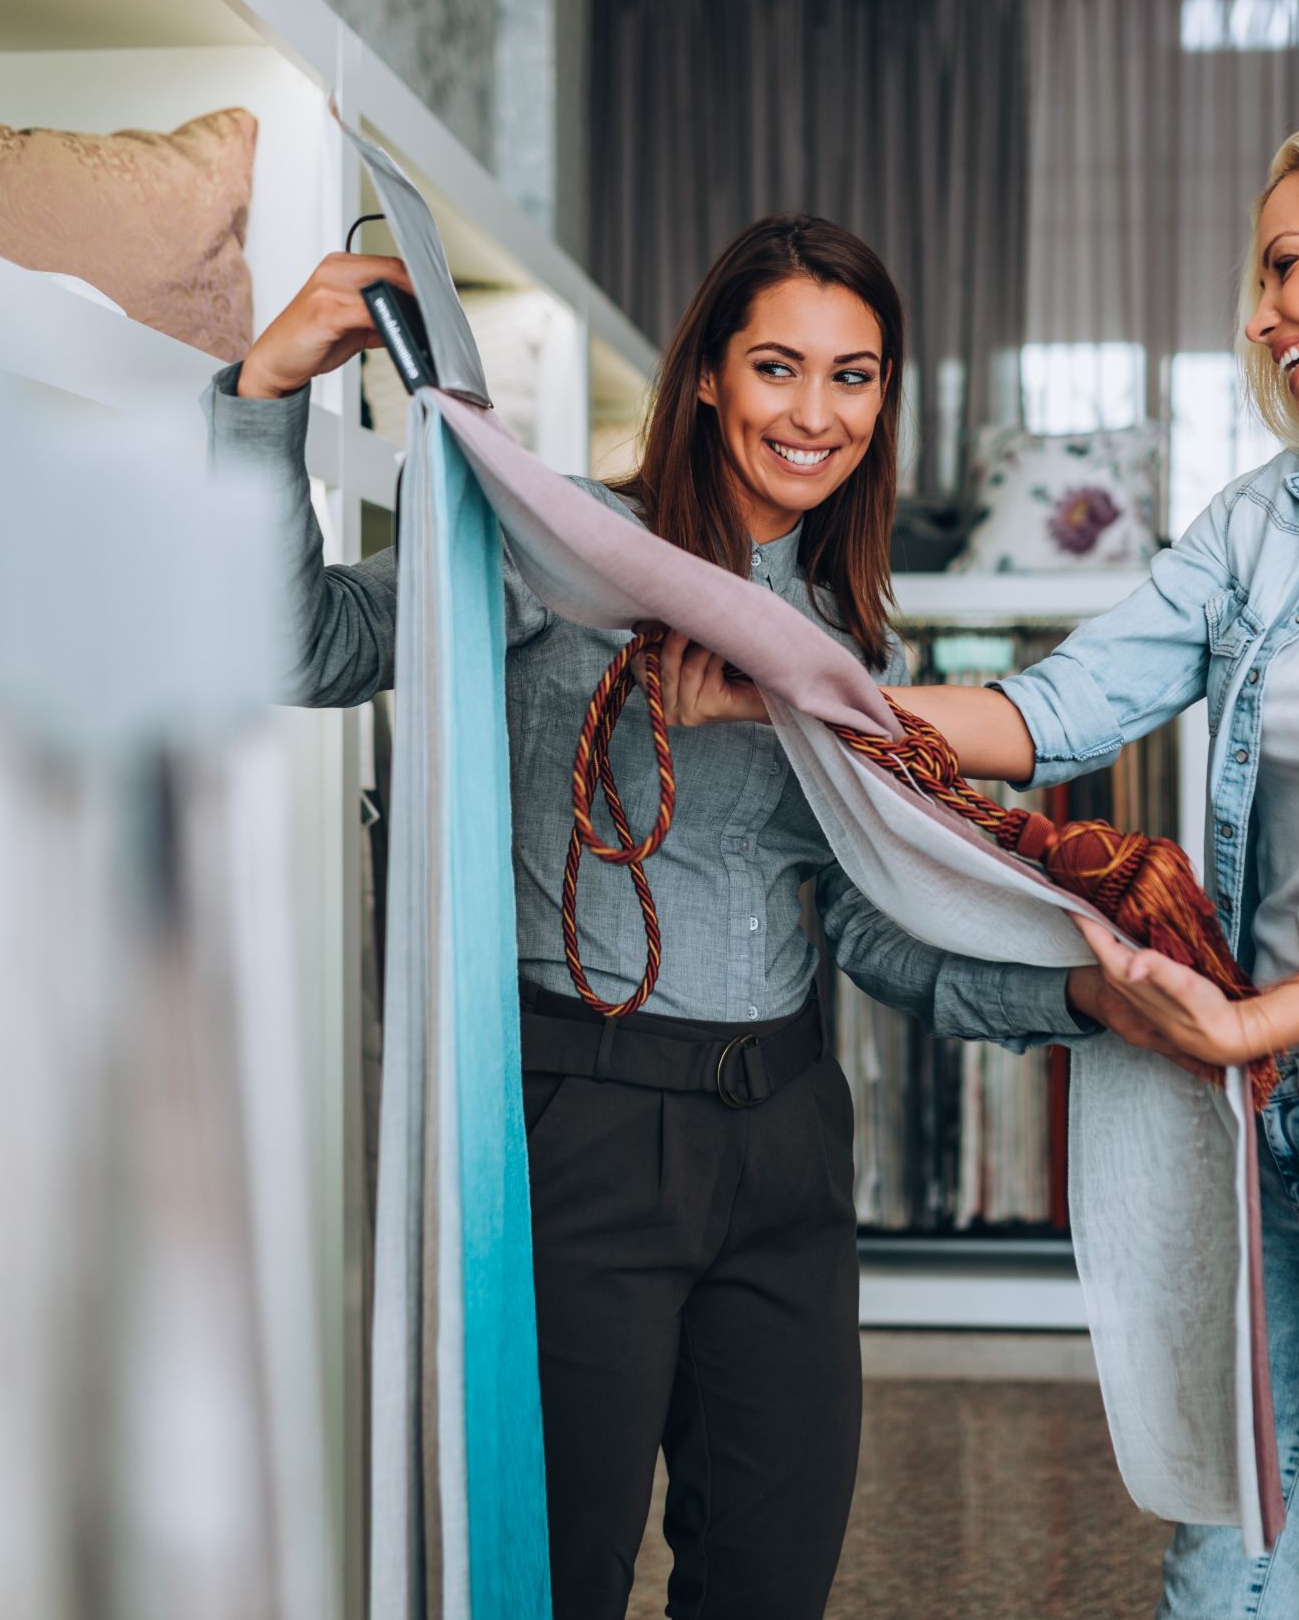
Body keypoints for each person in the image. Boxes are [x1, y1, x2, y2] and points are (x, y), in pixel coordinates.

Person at [694, 98, 1299, 1618]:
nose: (1263, 312)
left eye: (1289, 267)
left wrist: (1243, 1027)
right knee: (1222, 1593)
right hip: (1275, 1159)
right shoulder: (1272, 522)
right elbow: (1059, 706)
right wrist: (777, 680)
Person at [204, 217, 1113, 1620]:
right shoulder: (552, 546)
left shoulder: (863, 646)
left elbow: (873, 931)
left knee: (770, 1582)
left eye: (854, 377)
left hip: (792, 1142)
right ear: (706, 375)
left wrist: (1085, 995)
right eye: (778, 367)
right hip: (583, 1130)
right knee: (549, 1581)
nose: (816, 415)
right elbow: (297, 645)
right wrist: (269, 392)